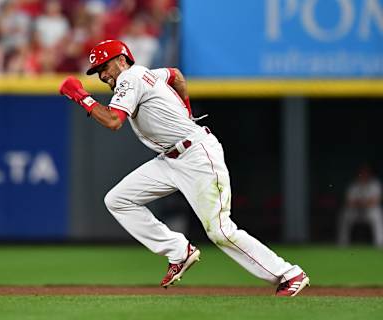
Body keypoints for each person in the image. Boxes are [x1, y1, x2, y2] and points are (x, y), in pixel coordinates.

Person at [59, 40, 310, 296]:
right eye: (98, 71)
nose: (102, 75)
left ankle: (289, 273)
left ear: (122, 60)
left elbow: (113, 121)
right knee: (118, 199)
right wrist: (186, 110)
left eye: (105, 66)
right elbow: (176, 76)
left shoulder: (129, 77)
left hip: (196, 155)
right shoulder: (146, 74)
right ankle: (179, 251)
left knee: (220, 230)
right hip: (170, 159)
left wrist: (82, 97)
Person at [337, 164, 383, 248]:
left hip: (369, 211)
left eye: (366, 173)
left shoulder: (375, 184)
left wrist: (364, 203)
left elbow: (377, 200)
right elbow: (349, 201)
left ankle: (379, 243)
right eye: (362, 173)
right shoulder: (354, 185)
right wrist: (361, 203)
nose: (364, 174)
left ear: (370, 174)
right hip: (356, 211)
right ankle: (343, 243)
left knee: (378, 213)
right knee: (345, 214)